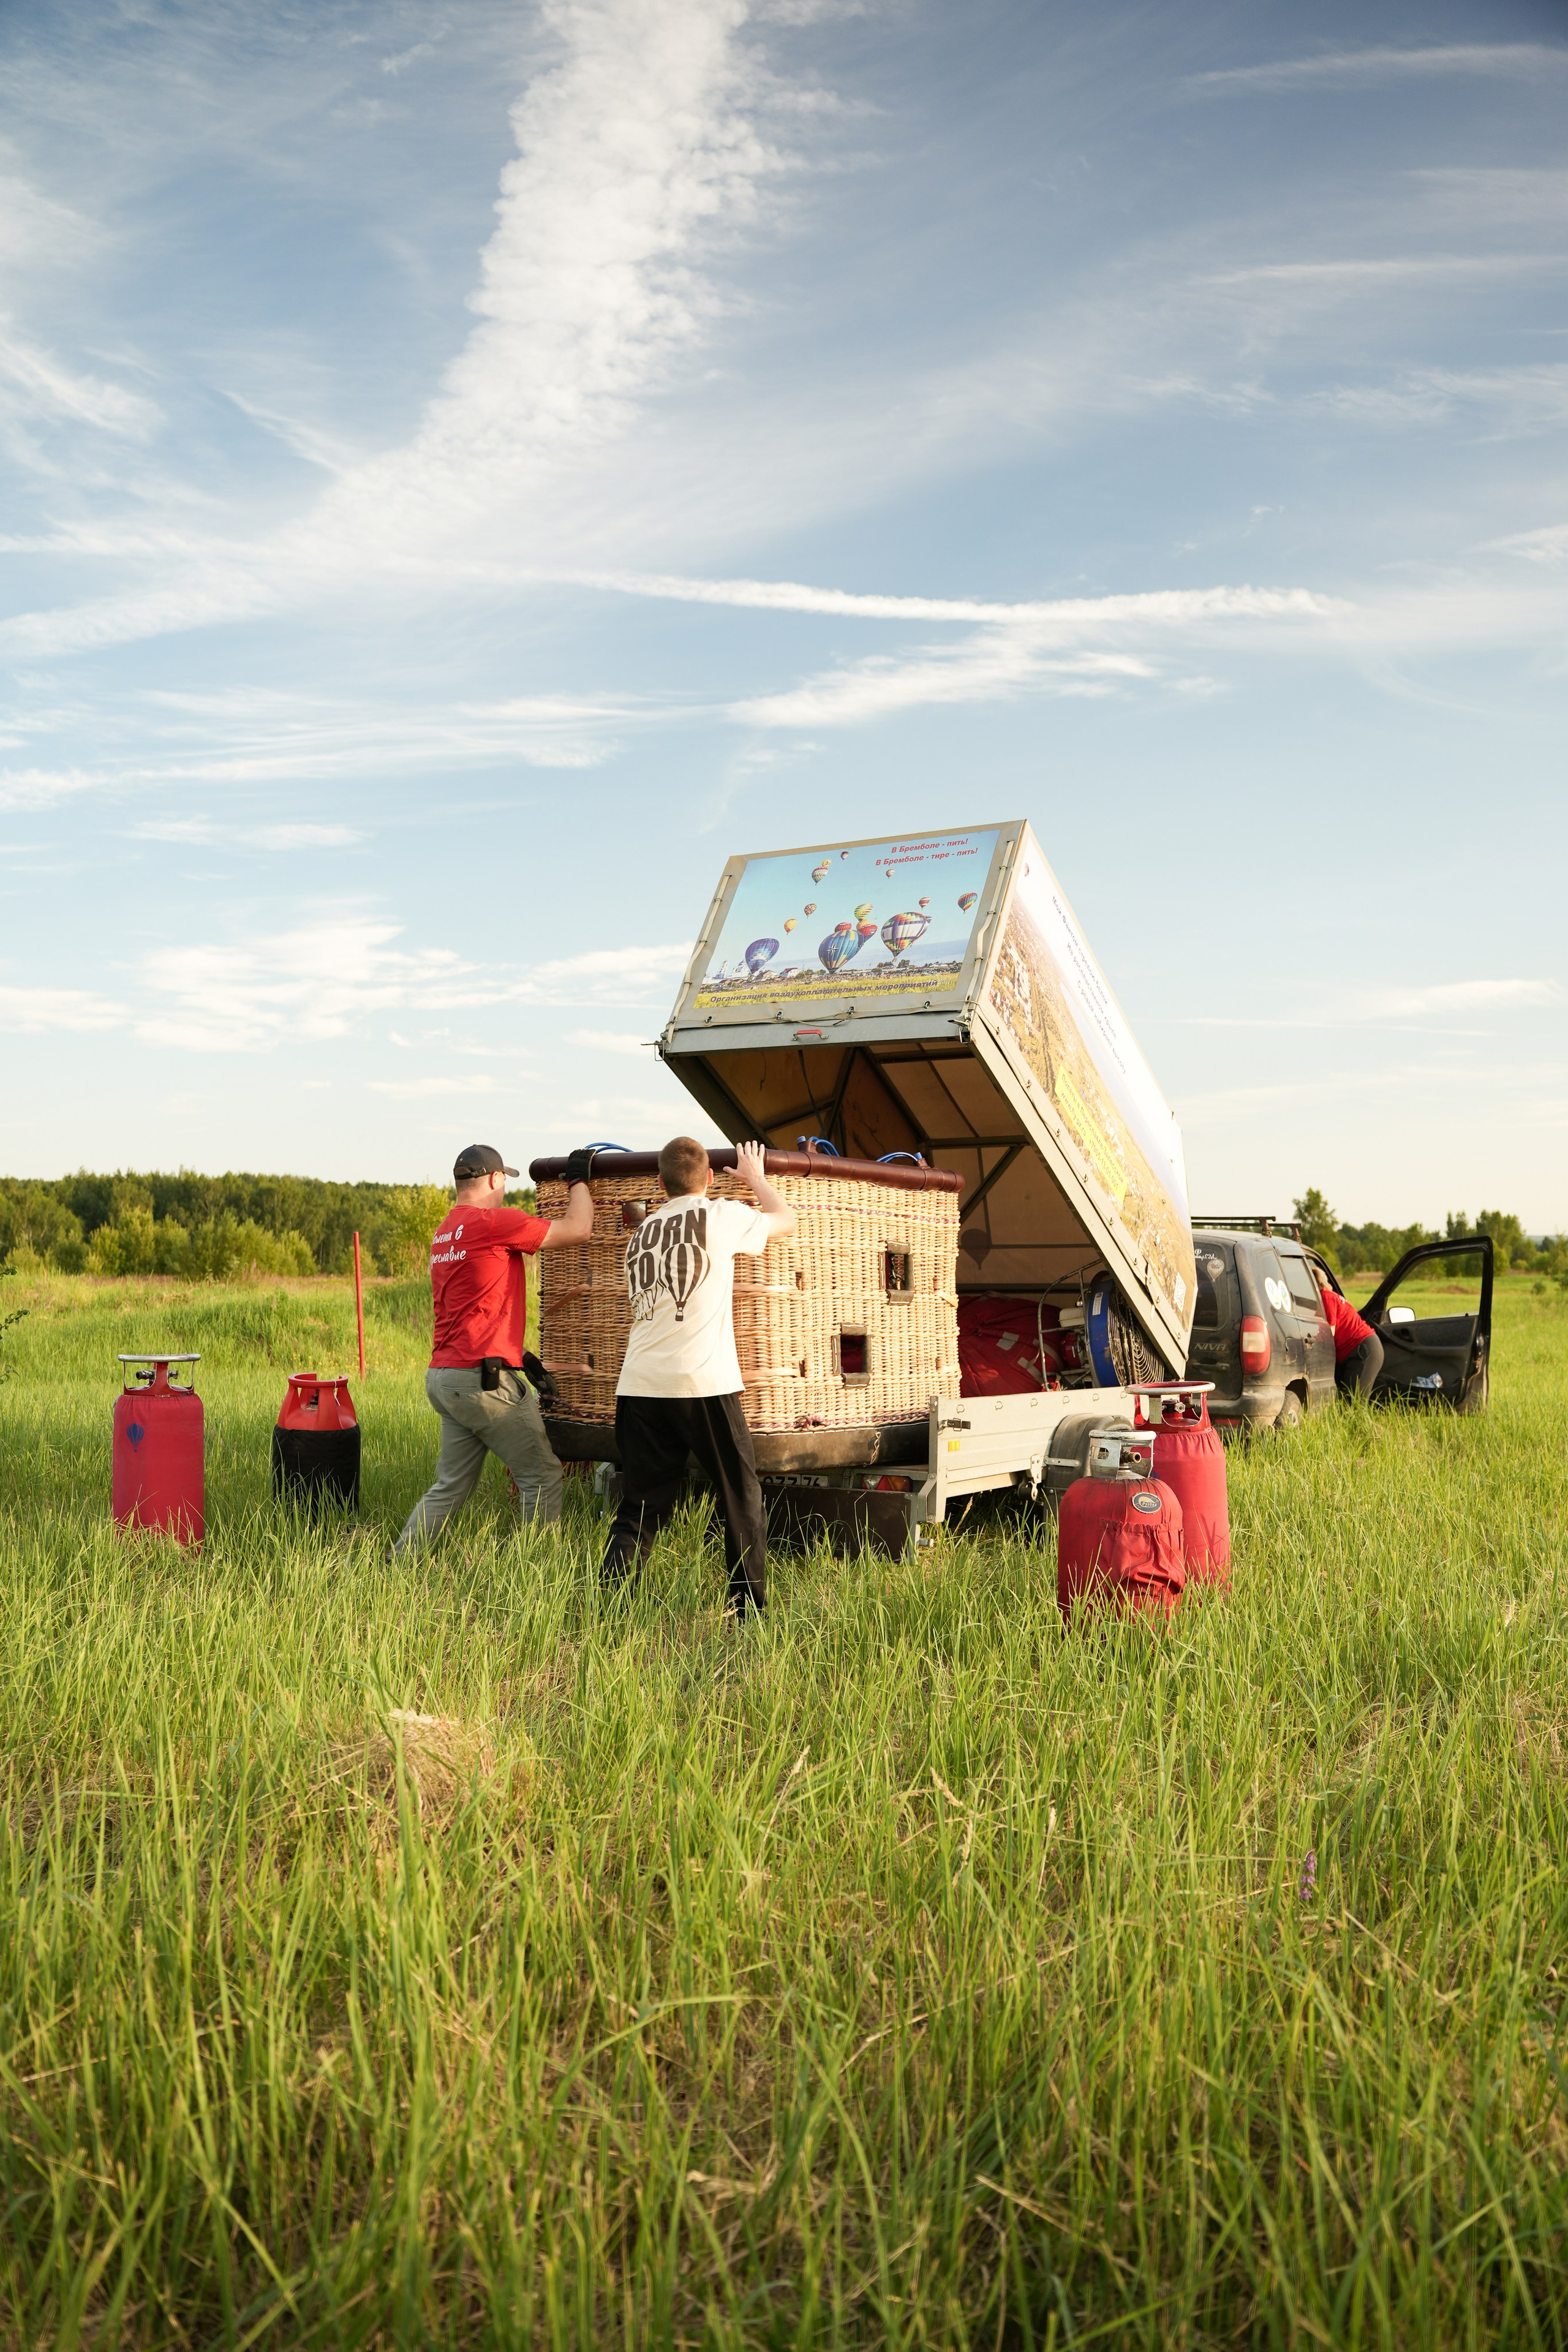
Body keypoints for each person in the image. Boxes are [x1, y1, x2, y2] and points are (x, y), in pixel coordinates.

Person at [602, 1137, 796, 1618]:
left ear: (660, 1184)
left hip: (639, 1384)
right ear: (710, 1179)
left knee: (640, 1506)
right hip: (701, 1381)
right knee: (741, 1494)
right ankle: (747, 1611)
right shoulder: (720, 1215)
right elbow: (787, 1221)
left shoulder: (640, 1236)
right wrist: (755, 1178)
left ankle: (608, 1606)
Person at [393, 1142, 595, 1555]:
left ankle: (400, 1563)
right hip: (481, 1381)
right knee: (542, 1475)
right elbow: (579, 1229)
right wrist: (578, 1180)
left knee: (449, 1487)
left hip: (445, 1379)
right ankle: (537, 1575)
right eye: (505, 1182)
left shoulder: (445, 1230)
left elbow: (476, 1304)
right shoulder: (492, 1222)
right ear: (496, 1178)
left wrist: (516, 1353)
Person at [1318, 1276, 1384, 1400]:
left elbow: (1329, 1333)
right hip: (1363, 1347)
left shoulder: (1326, 1297)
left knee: (1355, 1402)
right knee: (1346, 1399)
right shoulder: (1331, 1296)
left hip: (1363, 1350)